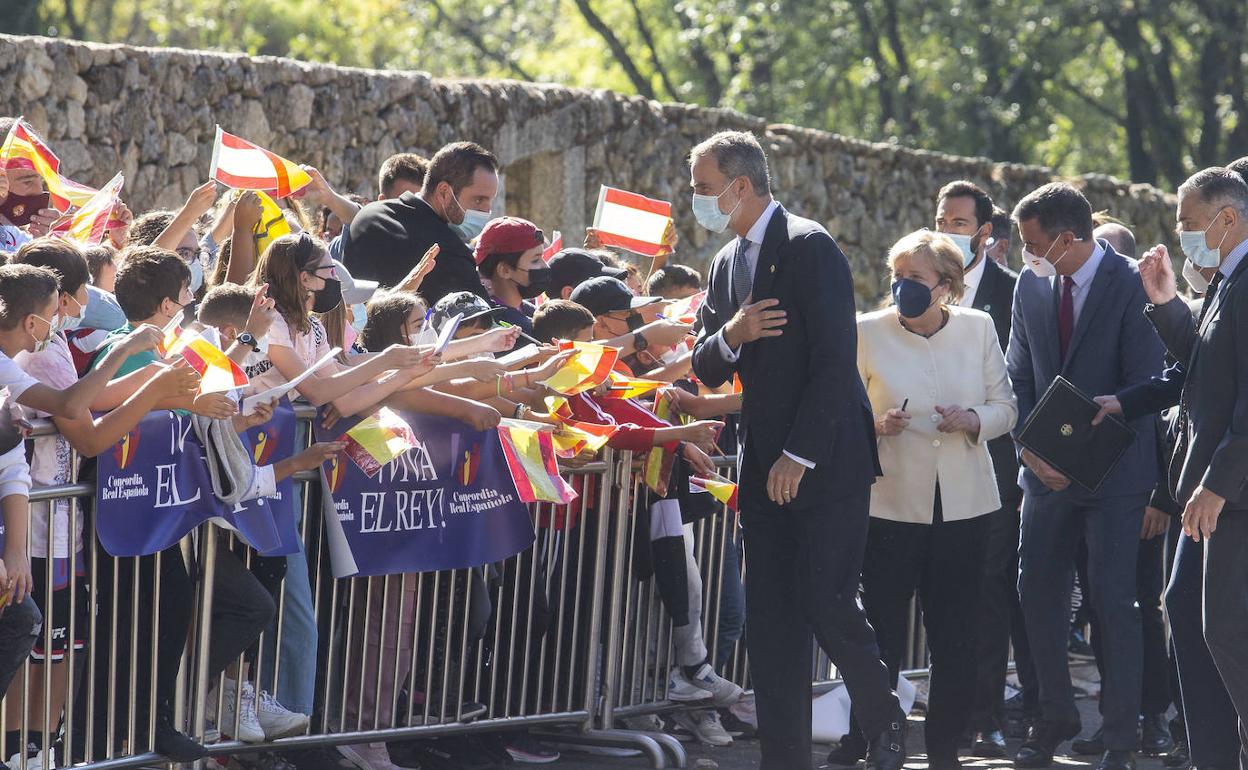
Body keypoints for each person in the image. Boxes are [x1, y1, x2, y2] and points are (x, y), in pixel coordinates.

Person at [688, 130, 904, 770]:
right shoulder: (726, 262)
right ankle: (784, 756)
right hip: (760, 465)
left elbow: (836, 364)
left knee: (828, 600)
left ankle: (883, 720)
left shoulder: (811, 248)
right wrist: (734, 332)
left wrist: (800, 455)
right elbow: (704, 363)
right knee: (773, 617)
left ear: (741, 186)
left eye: (704, 188)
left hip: (826, 461)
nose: (697, 200)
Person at [840, 230, 1017, 770]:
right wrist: (876, 424)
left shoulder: (978, 326)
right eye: (896, 276)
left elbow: (1006, 407)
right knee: (881, 635)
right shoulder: (867, 331)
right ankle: (871, 738)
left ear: (946, 286)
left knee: (956, 634)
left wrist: (974, 420)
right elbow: (842, 412)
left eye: (914, 278)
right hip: (890, 505)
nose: (902, 287)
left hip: (965, 508)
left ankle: (944, 747)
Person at [1006, 182, 1165, 770]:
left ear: (1067, 240)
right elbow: (1017, 373)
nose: (1025, 254)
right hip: (1044, 475)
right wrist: (1030, 451)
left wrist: (1081, 449)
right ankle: (1054, 717)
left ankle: (1121, 737)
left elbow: (1147, 380)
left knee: (1111, 602)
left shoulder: (1132, 282)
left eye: (1033, 243)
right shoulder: (1031, 283)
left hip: (1118, 475)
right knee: (1036, 595)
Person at [1114, 168, 1248, 770]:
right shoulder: (1228, 279)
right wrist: (1168, 304)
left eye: (1190, 224)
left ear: (1229, 217)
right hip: (1205, 488)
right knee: (1191, 619)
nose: (1183, 236)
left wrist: (1217, 484)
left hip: (1231, 492)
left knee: (1223, 630)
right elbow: (1206, 367)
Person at [1068, 221, 1174, 758]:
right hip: (1094, 486)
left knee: (1139, 608)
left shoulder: (1151, 316)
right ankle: (1116, 714)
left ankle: (1153, 715)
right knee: (1102, 608)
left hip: (1144, 491)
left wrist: (1161, 496)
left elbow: (1161, 412)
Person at [933, 180, 1027, 757]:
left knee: (988, 590)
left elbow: (1018, 380)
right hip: (928, 463)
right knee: (938, 590)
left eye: (959, 223)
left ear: (985, 232)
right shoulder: (920, 288)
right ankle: (939, 711)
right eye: (941, 219)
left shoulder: (1015, 293)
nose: (948, 230)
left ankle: (985, 712)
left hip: (991, 462)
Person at [346, 141, 499, 298]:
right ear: (444, 192)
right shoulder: (448, 252)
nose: (487, 210)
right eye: (479, 200)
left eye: (490, 200)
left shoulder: (367, 216)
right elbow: (480, 319)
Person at [473, 216, 548, 338]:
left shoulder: (529, 311)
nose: (545, 266)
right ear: (505, 270)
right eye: (535, 260)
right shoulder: (495, 327)